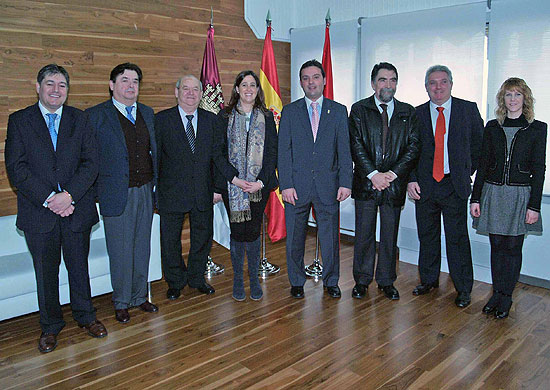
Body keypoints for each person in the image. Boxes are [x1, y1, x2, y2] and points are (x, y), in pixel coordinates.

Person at [5, 64, 107, 353]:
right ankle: (50, 327)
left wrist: (70, 195)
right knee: (45, 273)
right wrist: (51, 197)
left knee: (79, 267)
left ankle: (86, 317)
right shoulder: (19, 121)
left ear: (67, 90)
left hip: (77, 209)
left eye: (62, 85)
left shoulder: (80, 119)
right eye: (50, 84)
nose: (55, 90)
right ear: (38, 87)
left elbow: (92, 162)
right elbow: (17, 168)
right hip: (40, 213)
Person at [155, 75, 239, 300]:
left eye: (195, 89)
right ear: (176, 92)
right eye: (185, 89)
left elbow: (218, 158)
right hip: (171, 192)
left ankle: (196, 278)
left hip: (204, 192)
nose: (190, 93)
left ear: (201, 94)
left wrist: (218, 188)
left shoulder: (212, 120)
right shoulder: (161, 120)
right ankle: (175, 281)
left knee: (202, 238)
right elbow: (156, 160)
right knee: (169, 240)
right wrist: (155, 191)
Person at [87, 63, 159, 324]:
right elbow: (89, 158)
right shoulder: (96, 116)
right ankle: (121, 301)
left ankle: (140, 296)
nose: (131, 86)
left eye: (135, 81)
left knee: (142, 246)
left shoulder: (148, 114)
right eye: (125, 80)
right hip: (115, 194)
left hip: (145, 190)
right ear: (112, 85)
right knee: (120, 249)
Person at [408, 65, 483, 308]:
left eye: (442, 82)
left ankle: (463, 288)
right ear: (426, 87)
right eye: (432, 83)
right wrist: (411, 178)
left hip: (454, 185)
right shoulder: (416, 114)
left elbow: (478, 147)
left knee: (457, 239)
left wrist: (464, 172)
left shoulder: (467, 110)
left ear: (451, 84)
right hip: (425, 186)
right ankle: (428, 280)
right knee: (427, 236)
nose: (438, 87)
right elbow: (408, 151)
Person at [470, 78, 547, 319]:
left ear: (525, 99)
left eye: (517, 95)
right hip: (493, 193)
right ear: (502, 99)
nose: (512, 99)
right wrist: (476, 198)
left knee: (513, 247)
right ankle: (495, 293)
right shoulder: (492, 127)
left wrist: (534, 205)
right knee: (497, 246)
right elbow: (482, 165)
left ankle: (506, 296)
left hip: (520, 194)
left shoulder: (537, 128)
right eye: (508, 95)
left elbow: (539, 169)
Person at [278, 59, 353, 299]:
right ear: (301, 82)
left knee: (330, 238)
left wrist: (345, 182)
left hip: (328, 186)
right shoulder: (289, 112)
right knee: (295, 239)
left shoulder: (339, 110)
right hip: (296, 188)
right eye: (306, 78)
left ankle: (331, 281)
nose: (311, 82)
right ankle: (297, 281)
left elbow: (344, 150)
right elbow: (284, 152)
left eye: (315, 77)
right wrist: (286, 185)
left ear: (324, 80)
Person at [349, 62, 420, 300]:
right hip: (366, 183)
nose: (388, 85)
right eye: (382, 80)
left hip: (394, 185)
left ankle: (387, 281)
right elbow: (355, 145)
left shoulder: (408, 112)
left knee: (390, 236)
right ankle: (361, 280)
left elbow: (413, 147)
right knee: (364, 235)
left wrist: (392, 175)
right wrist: (373, 175)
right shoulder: (359, 110)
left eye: (392, 80)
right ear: (373, 83)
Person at [216, 70, 278, 301]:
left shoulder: (268, 117)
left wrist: (260, 181)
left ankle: (253, 279)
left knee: (252, 232)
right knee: (237, 233)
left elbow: (272, 152)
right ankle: (238, 280)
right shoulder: (224, 116)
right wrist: (234, 179)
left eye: (253, 85)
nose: (249, 89)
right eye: (244, 85)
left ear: (258, 90)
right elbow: (218, 153)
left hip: (258, 188)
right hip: (232, 186)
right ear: (237, 89)